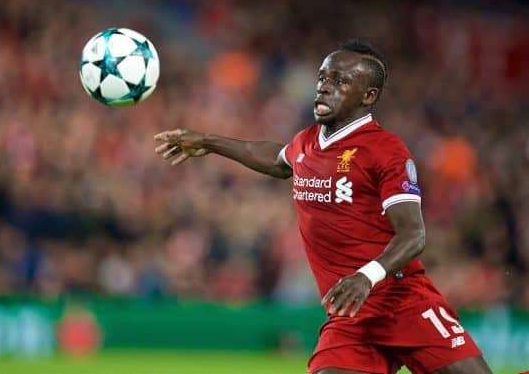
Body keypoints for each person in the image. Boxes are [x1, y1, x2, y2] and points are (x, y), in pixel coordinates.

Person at [154, 41, 493, 374]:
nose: (325, 87)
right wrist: (208, 142)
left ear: (368, 96)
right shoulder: (307, 143)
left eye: (341, 81)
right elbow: (276, 160)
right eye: (323, 77)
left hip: (402, 303)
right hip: (351, 315)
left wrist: (366, 276)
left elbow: (413, 235)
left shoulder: (386, 150)